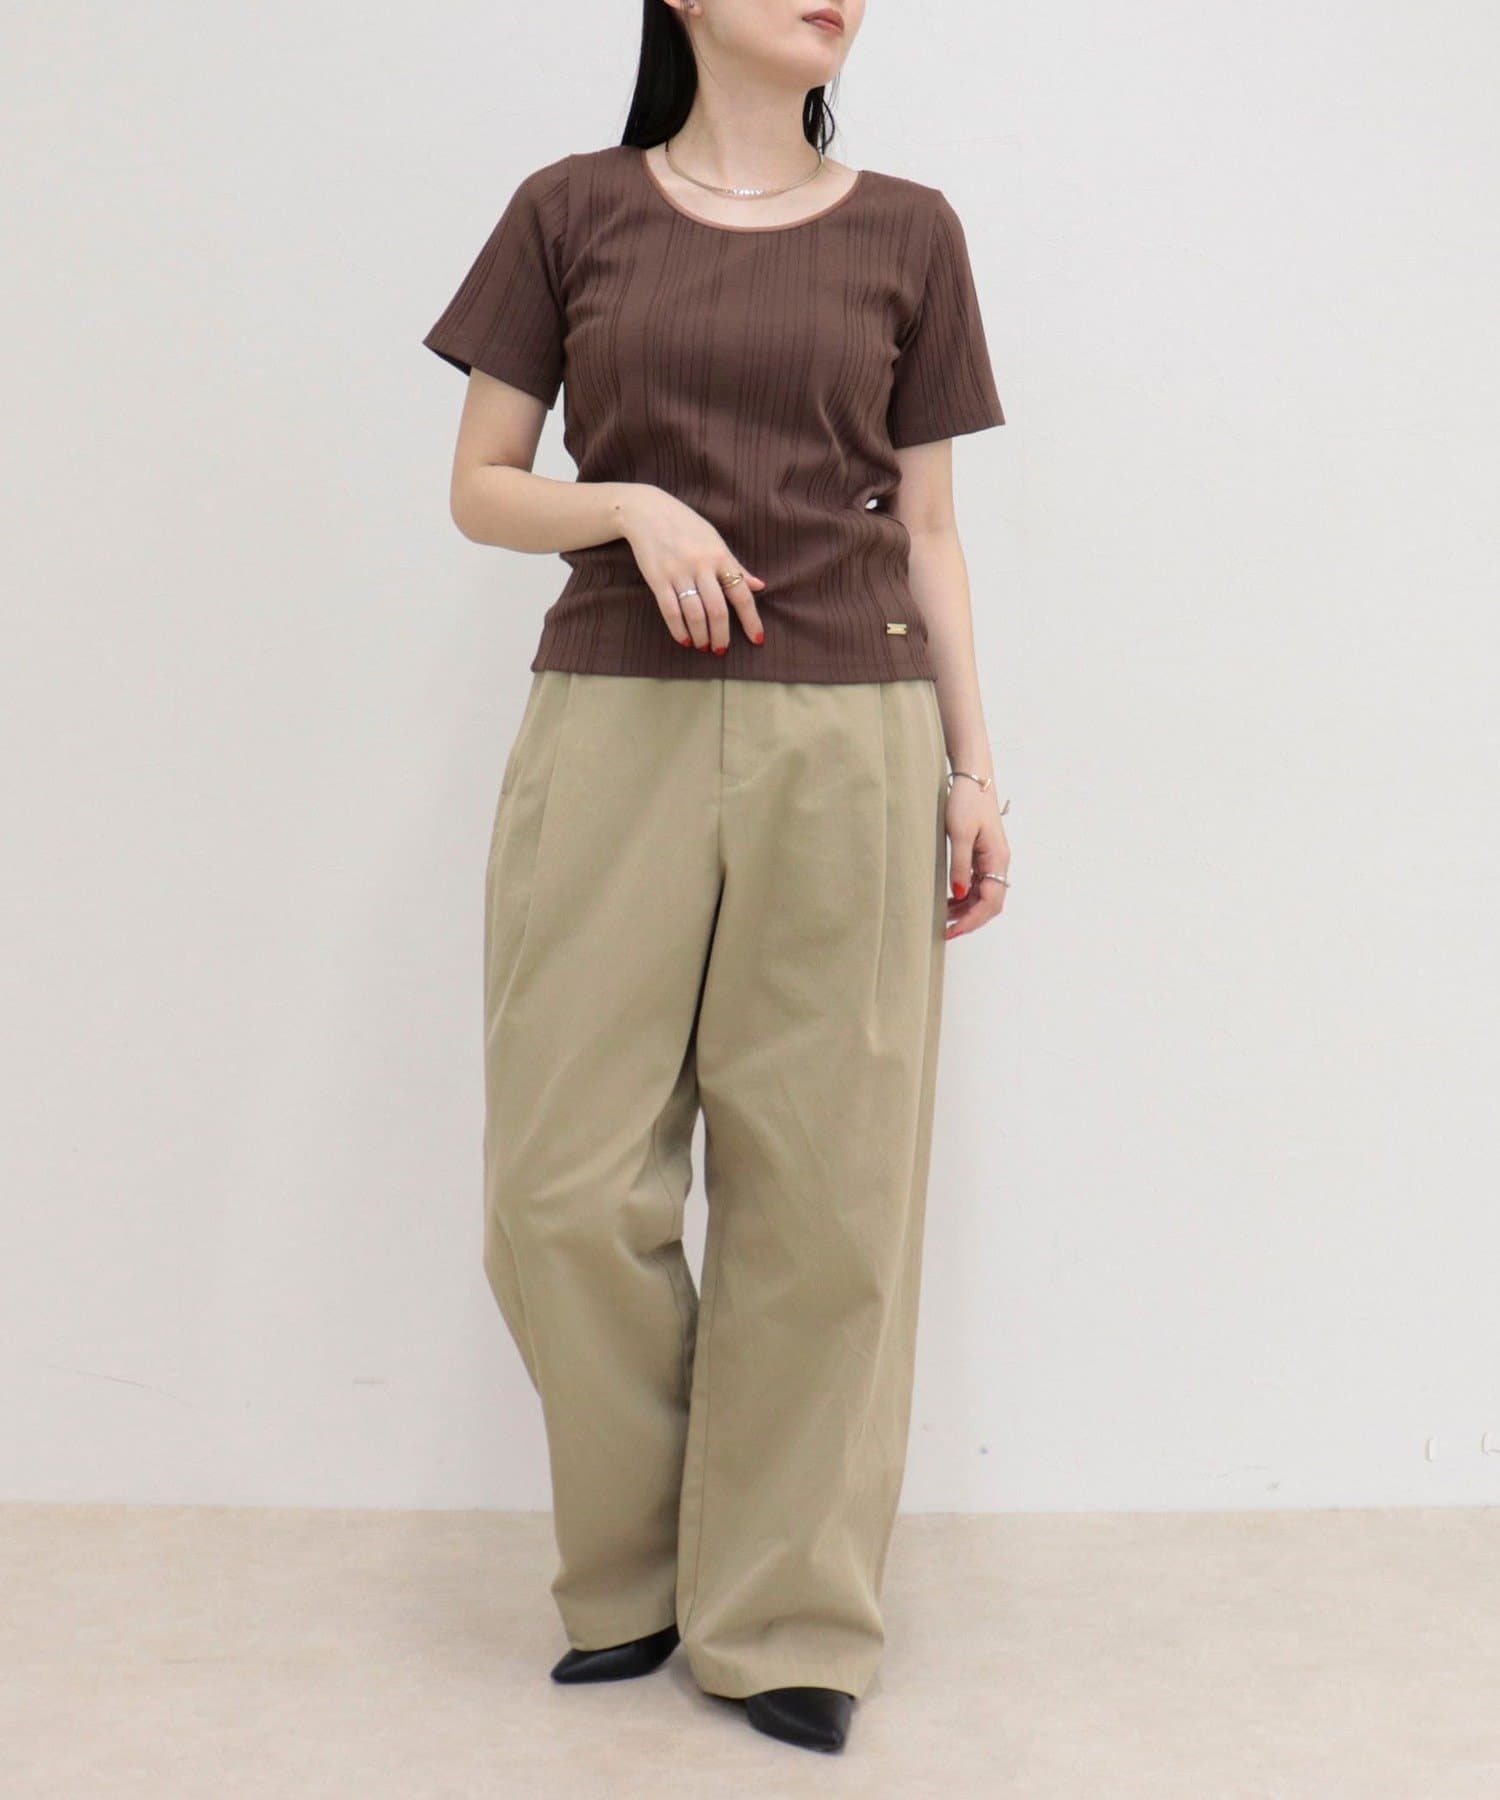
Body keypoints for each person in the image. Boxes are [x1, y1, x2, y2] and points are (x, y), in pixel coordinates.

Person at [421, 0, 1010, 1757]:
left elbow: (930, 527)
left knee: (830, 1195)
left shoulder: (911, 231)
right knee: (557, 1189)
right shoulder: (571, 209)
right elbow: (480, 488)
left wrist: (975, 771)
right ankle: (637, 1576)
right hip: (614, 718)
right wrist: (629, 506)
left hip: (856, 726)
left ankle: (790, 1616)